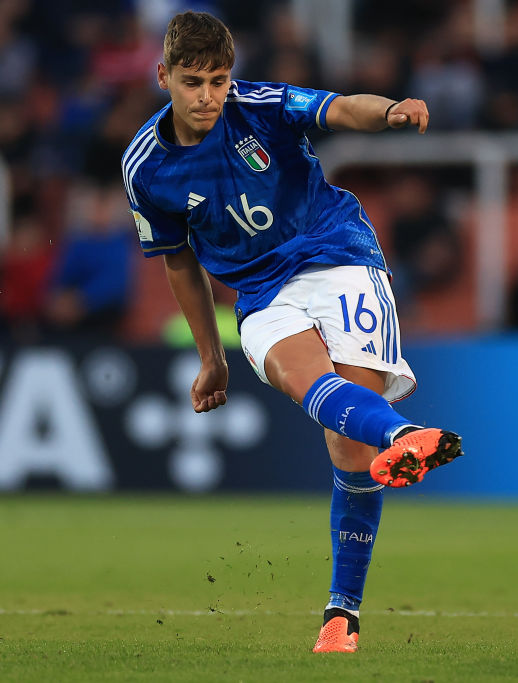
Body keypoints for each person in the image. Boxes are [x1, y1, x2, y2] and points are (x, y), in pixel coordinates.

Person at [122, 11, 464, 654]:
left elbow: (341, 109)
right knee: (304, 379)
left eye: (219, 80)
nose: (208, 96)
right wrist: (210, 357)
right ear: (164, 75)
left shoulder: (260, 104)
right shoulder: (145, 167)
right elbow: (178, 259)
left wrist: (389, 113)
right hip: (260, 292)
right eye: (193, 81)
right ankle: (405, 435)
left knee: (348, 450)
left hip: (339, 255)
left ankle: (342, 615)